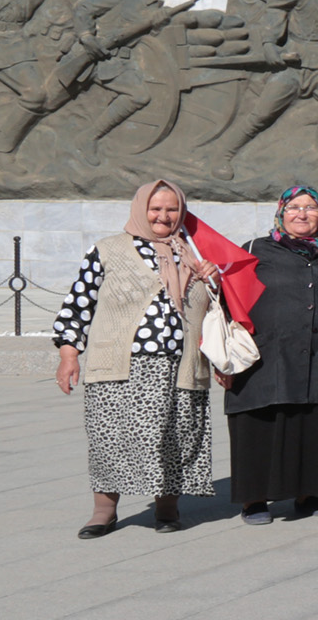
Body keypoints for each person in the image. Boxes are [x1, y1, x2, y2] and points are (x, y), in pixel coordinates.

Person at [51, 178, 217, 536]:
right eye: (155, 209)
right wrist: (69, 356)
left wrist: (211, 280)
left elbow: (217, 313)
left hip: (180, 366)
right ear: (141, 209)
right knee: (110, 437)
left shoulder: (194, 253)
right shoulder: (108, 250)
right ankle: (104, 511)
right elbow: (76, 308)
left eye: (172, 209)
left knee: (176, 437)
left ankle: (168, 509)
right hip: (120, 368)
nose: (163, 216)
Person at [226, 185, 318, 524]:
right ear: (281, 212)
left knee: (315, 426)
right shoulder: (254, 251)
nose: (302, 214)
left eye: (310, 208)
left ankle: (310, 494)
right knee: (261, 426)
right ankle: (254, 500)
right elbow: (227, 298)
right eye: (294, 207)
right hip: (264, 361)